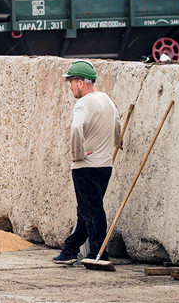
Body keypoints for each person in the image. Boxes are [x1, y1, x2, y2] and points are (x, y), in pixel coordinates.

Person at [52, 60, 121, 265]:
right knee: (86, 210)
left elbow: (76, 128)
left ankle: (98, 253)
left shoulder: (82, 104)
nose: (70, 87)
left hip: (86, 167)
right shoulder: (106, 99)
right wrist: (118, 141)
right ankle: (70, 250)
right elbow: (117, 120)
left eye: (72, 83)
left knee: (93, 211)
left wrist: (78, 153)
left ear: (81, 82)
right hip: (105, 165)